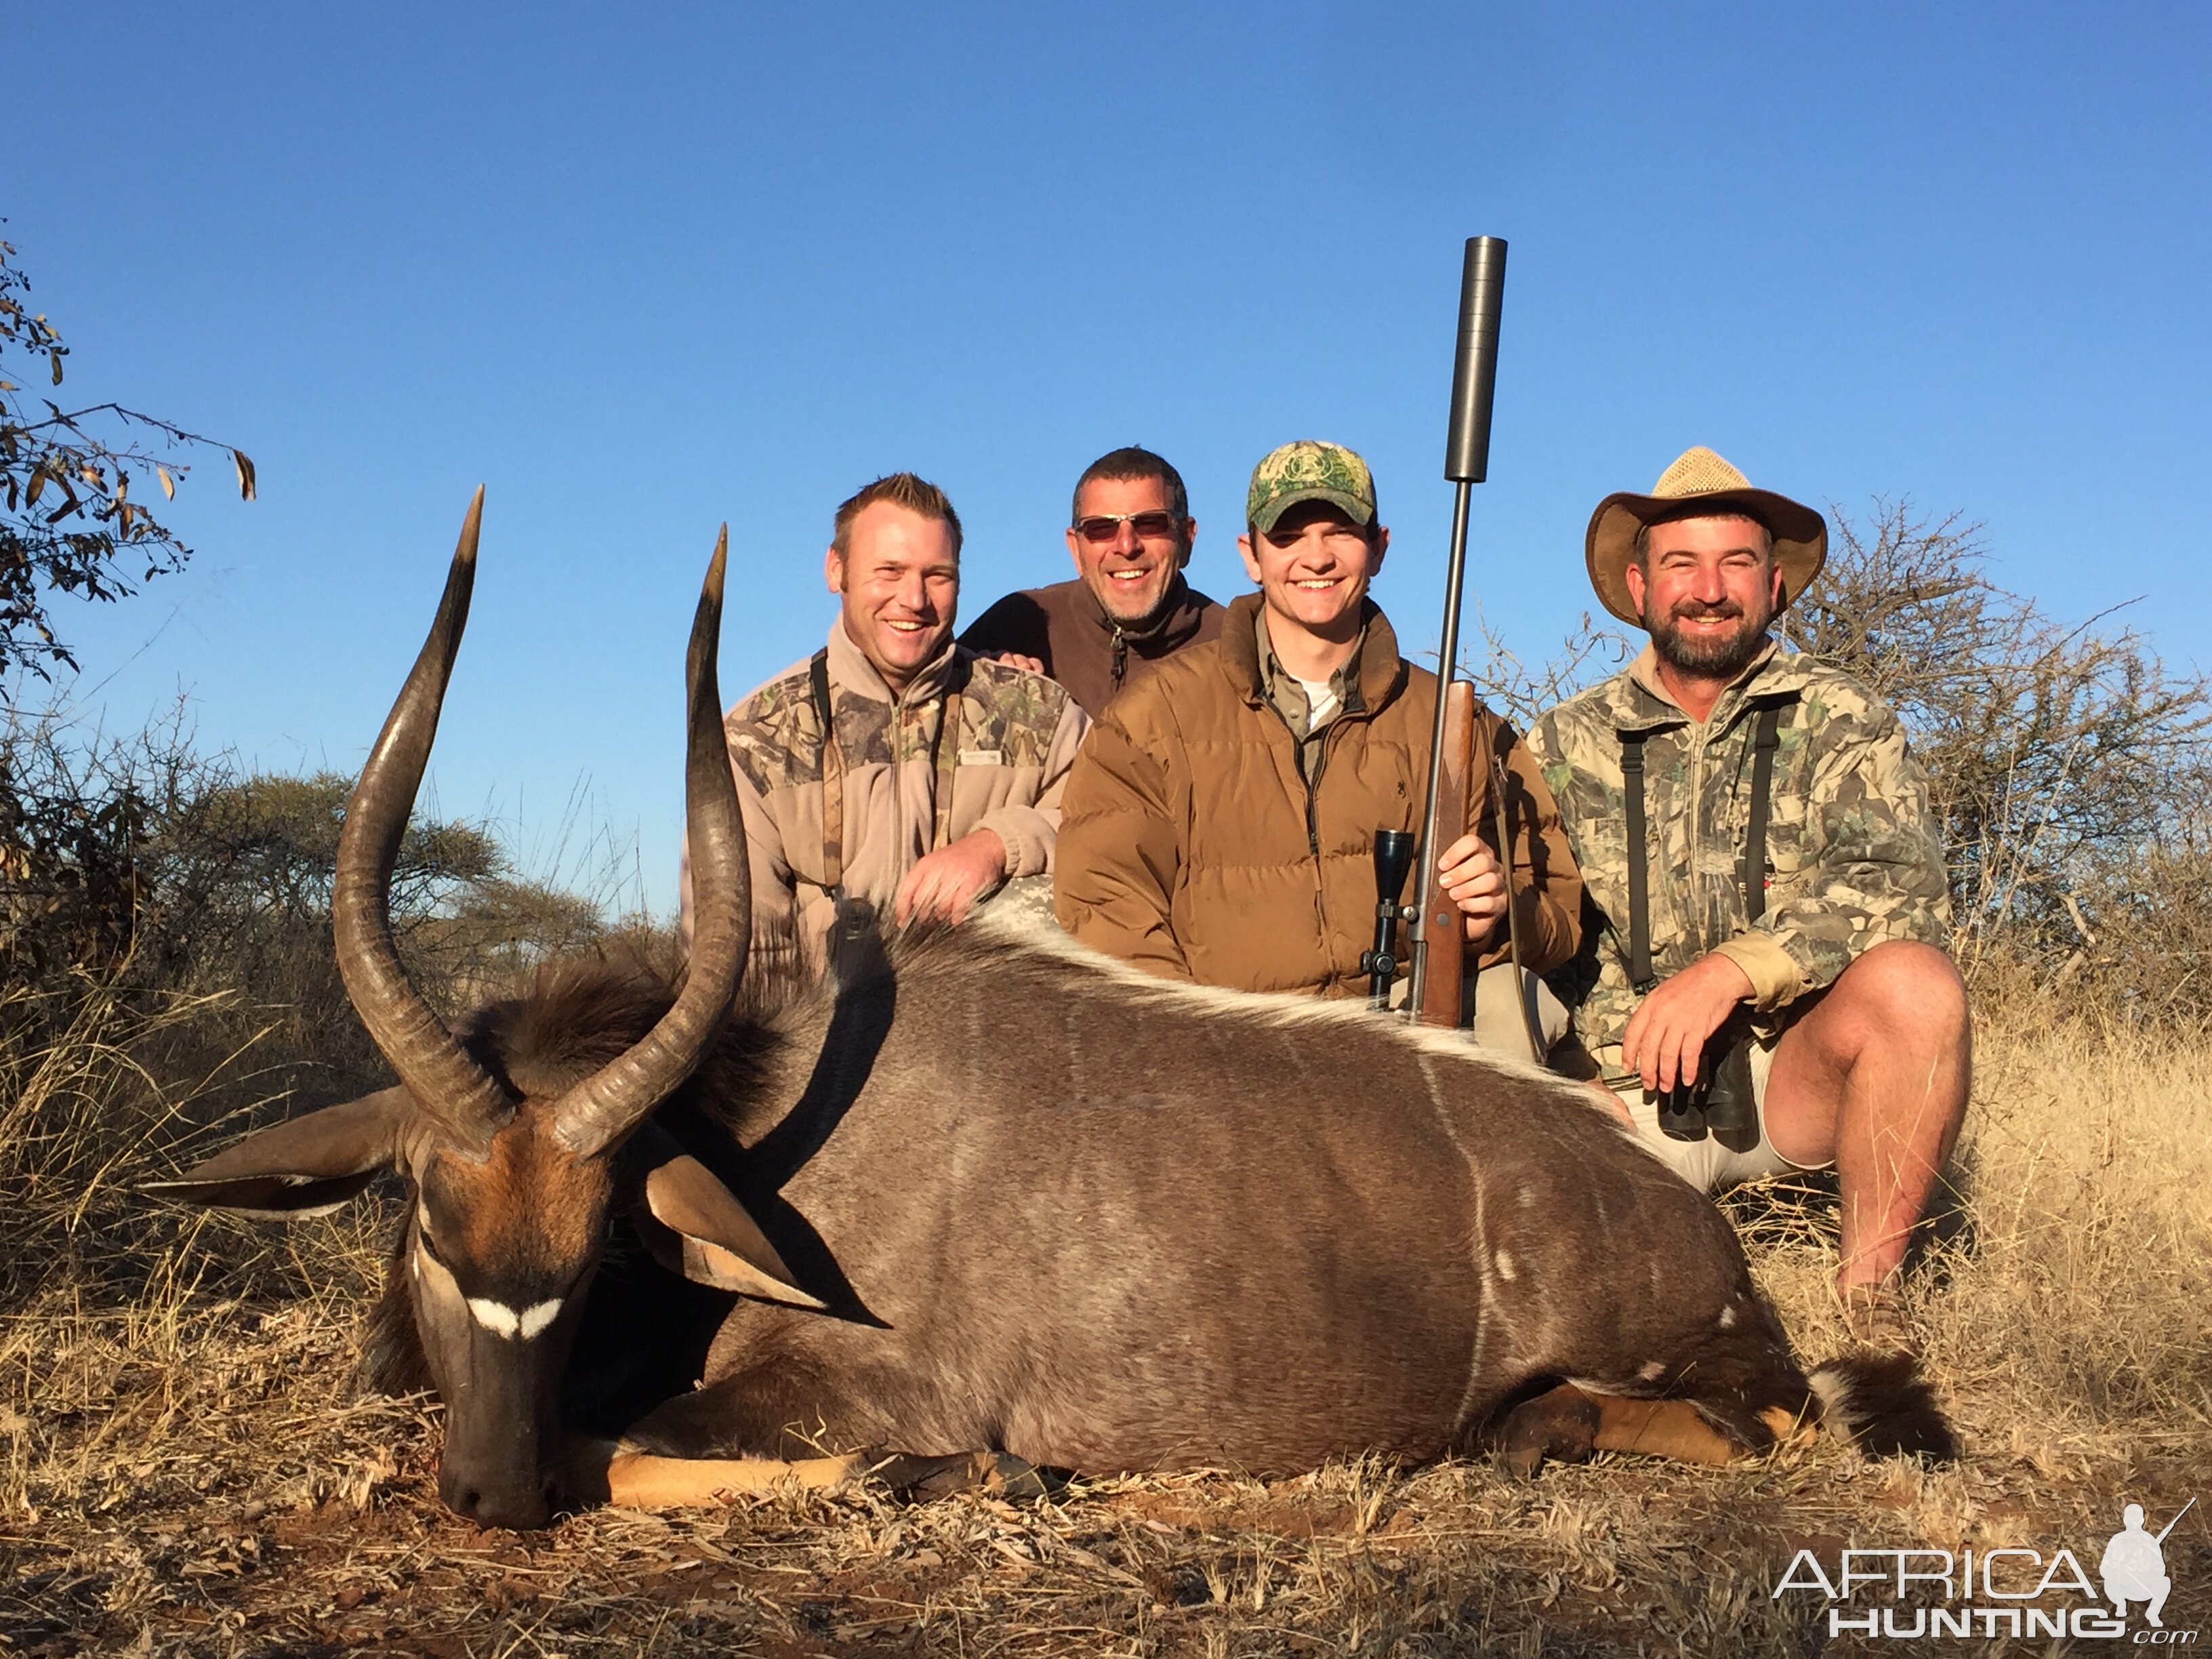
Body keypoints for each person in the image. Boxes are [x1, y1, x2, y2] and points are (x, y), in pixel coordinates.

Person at [1527, 446, 1968, 1345]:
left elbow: (1902, 888)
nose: (1709, 588)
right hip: (1614, 1098)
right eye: (1682, 564)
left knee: (1918, 985)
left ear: (1772, 584)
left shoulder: (1839, 713)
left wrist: (1733, 971)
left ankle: (1870, 1308)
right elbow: (1536, 919)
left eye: (1734, 563)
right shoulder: (1563, 740)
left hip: (1785, 1081)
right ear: (1641, 585)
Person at [1054, 440, 1582, 1028]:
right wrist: (1200, 1037)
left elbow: (1559, 916)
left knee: (1512, 1012)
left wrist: (1503, 914)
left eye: (1341, 532)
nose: (1317, 558)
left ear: (1379, 549)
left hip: (1411, 1040)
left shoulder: (1461, 725)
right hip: (1233, 1053)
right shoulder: (1151, 718)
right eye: (1287, 538)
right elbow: (1105, 903)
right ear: (1250, 556)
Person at [681, 472, 1088, 977]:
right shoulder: (754, 736)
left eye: (937, 575)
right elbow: (736, 957)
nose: (914, 599)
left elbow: (1112, 822)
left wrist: (998, 846)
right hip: (819, 1040)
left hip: (992, 1034)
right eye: (889, 571)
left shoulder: (1038, 712)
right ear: (837, 570)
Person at [960, 446, 1224, 717]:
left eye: (1150, 523)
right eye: (1101, 528)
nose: (1126, 545)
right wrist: (976, 677)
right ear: (1075, 548)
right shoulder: (1018, 624)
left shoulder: (1232, 645)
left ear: (1186, 538)